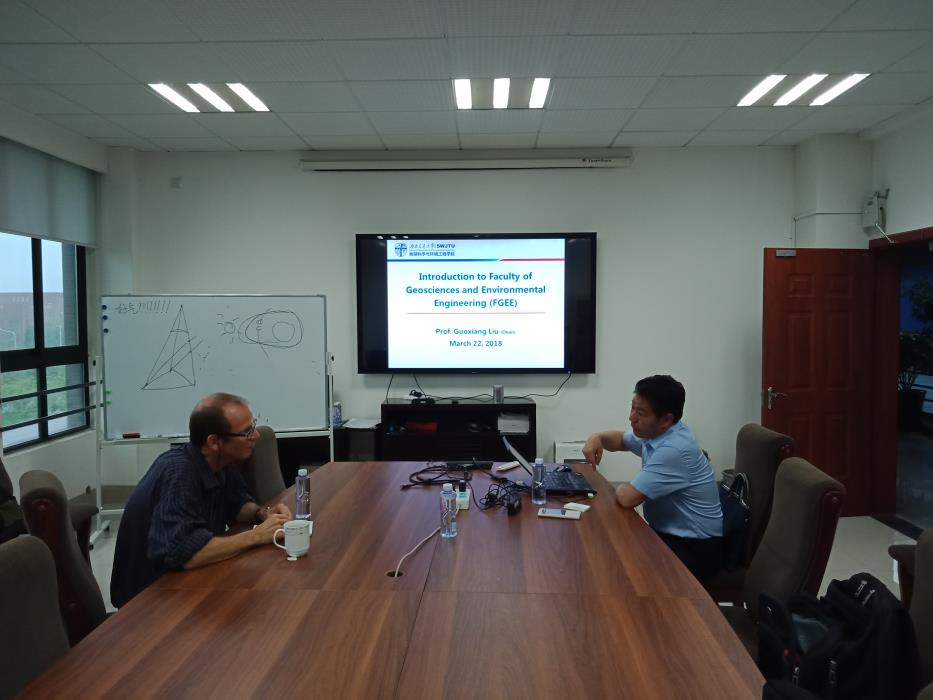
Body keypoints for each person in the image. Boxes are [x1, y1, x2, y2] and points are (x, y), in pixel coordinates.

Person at [110, 393, 291, 607]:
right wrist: (256, 536)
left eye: (253, 426)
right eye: (246, 432)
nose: (256, 436)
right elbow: (186, 553)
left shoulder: (220, 461)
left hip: (185, 582)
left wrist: (263, 514)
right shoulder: (179, 473)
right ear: (214, 442)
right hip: (151, 599)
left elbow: (237, 505)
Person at [583, 375, 723, 581]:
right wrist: (597, 438)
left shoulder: (675, 449)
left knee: (614, 565)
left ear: (665, 419)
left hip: (695, 549)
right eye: (632, 408)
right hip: (669, 535)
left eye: (640, 413)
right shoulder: (661, 433)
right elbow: (621, 440)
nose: (631, 418)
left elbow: (627, 498)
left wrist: (620, 486)